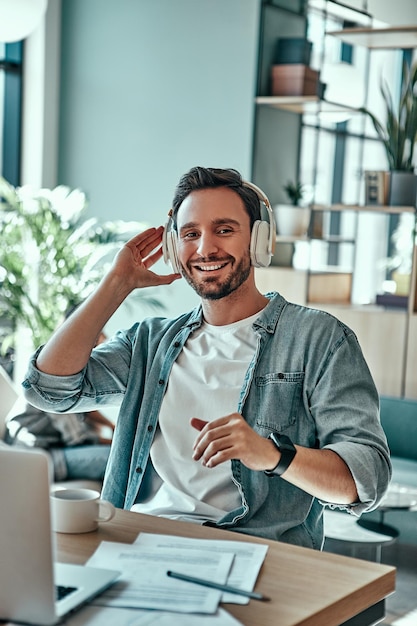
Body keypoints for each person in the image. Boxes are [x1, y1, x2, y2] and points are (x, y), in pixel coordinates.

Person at [23, 167, 391, 549]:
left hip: (258, 550)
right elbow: (48, 389)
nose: (205, 249)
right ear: (173, 248)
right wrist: (116, 284)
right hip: (145, 540)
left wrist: (270, 454)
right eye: (190, 234)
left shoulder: (319, 339)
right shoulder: (149, 343)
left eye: (225, 230)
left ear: (259, 239)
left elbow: (367, 478)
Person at [6, 309, 114, 482]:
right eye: (98, 334)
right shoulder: (56, 370)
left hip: (46, 449)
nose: (103, 340)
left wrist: (111, 425)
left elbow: (84, 410)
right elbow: (78, 438)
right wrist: (118, 443)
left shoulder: (68, 367)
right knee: (119, 459)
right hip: (34, 456)